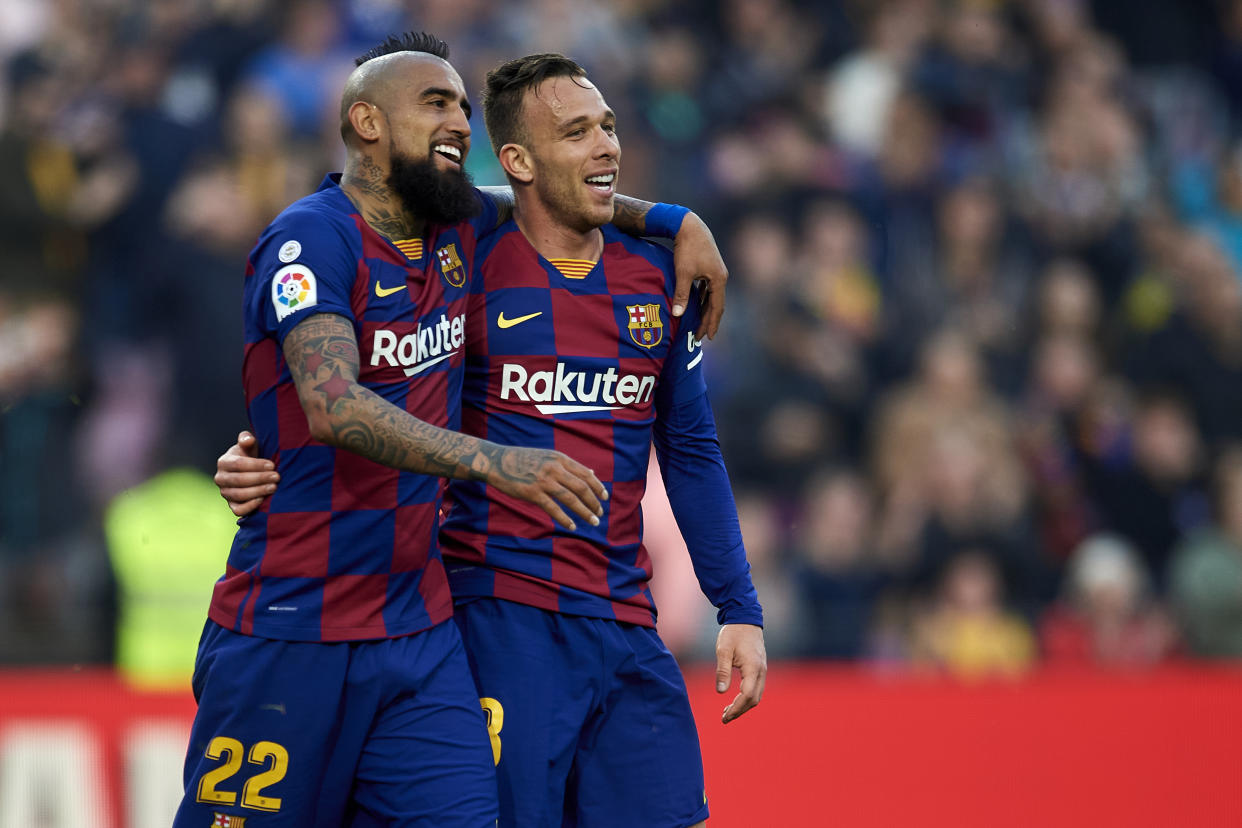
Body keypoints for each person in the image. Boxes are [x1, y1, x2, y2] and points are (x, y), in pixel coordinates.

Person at [177, 33, 728, 828]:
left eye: (465, 110)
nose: (459, 122)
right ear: (366, 121)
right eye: (436, 103)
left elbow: (547, 197)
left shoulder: (456, 234)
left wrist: (676, 221)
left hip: (417, 630)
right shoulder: (311, 239)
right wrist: (496, 463)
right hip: (292, 621)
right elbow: (333, 407)